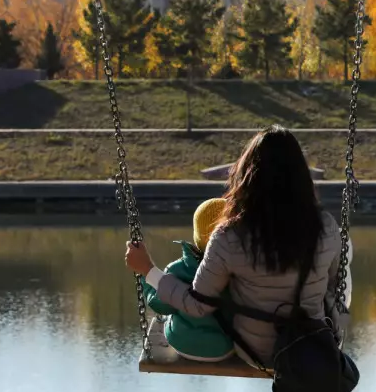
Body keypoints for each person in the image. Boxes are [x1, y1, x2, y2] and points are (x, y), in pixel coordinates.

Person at [125, 125, 346, 368]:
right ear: (302, 177)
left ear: (247, 177)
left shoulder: (229, 236)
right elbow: (333, 284)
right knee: (340, 260)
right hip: (311, 346)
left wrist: (148, 270)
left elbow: (197, 305)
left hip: (257, 353)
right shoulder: (326, 225)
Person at [141, 197, 235, 362]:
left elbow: (159, 305)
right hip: (224, 345)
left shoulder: (176, 270)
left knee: (171, 310)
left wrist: (146, 279)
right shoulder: (237, 270)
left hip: (183, 343)